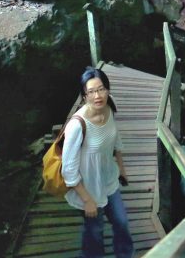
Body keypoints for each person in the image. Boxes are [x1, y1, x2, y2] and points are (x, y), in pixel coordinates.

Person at [62, 67, 132, 258]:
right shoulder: (77, 125)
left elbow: (115, 139)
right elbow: (68, 170)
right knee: (95, 232)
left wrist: (121, 168)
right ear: (84, 96)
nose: (97, 96)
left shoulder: (109, 106)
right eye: (91, 91)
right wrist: (87, 200)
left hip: (109, 180)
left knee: (122, 222)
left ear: (107, 89)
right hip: (89, 187)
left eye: (101, 89)